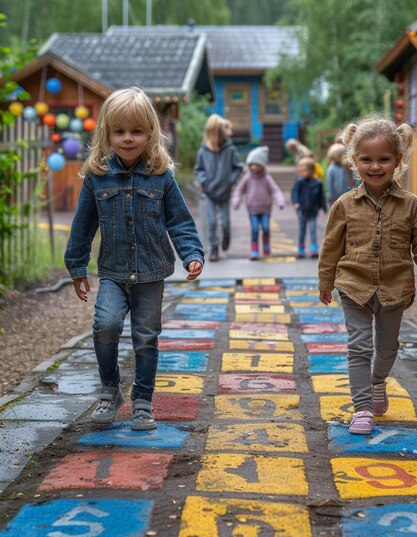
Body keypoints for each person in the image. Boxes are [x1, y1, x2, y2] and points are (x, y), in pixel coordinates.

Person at [64, 87, 204, 431]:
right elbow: (83, 224)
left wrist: (192, 255)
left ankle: (143, 400)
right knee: (106, 325)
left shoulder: (162, 176)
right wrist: (77, 266)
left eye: (137, 131)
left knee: (145, 336)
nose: (128, 139)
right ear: (106, 133)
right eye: (120, 131)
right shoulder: (97, 176)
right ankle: (110, 389)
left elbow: (180, 222)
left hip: (151, 273)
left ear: (150, 134)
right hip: (112, 271)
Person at [318, 115, 417, 435]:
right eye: (367, 160)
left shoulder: (412, 205)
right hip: (353, 286)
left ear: (397, 160)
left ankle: (377, 382)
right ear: (354, 161)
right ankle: (362, 409)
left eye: (383, 159)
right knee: (359, 345)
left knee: (387, 348)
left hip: (394, 288)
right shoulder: (344, 205)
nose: (375, 167)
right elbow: (331, 247)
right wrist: (325, 281)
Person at [194, 114, 243, 261]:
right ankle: (214, 249)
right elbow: (198, 169)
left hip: (224, 192)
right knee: (211, 222)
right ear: (215, 132)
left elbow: (238, 167)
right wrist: (204, 182)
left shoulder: (230, 149)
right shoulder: (203, 150)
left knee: (225, 224)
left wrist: (230, 180)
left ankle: (226, 238)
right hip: (209, 192)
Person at [232, 146, 285, 260]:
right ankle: (254, 250)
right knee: (255, 229)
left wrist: (280, 201)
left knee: (266, 228)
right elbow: (239, 190)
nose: (254, 167)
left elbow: (275, 190)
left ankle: (266, 246)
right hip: (252, 210)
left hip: (265, 209)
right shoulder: (247, 178)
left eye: (256, 164)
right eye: (252, 164)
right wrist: (236, 201)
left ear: (262, 165)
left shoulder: (267, 178)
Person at [291, 156, 327, 258]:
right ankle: (301, 249)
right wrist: (296, 202)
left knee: (313, 230)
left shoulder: (317, 183)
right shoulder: (299, 182)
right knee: (302, 231)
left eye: (304, 171)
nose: (301, 173)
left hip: (313, 211)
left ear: (311, 171)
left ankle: (314, 249)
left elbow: (321, 196)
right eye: (300, 171)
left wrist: (323, 207)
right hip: (302, 211)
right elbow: (295, 193)